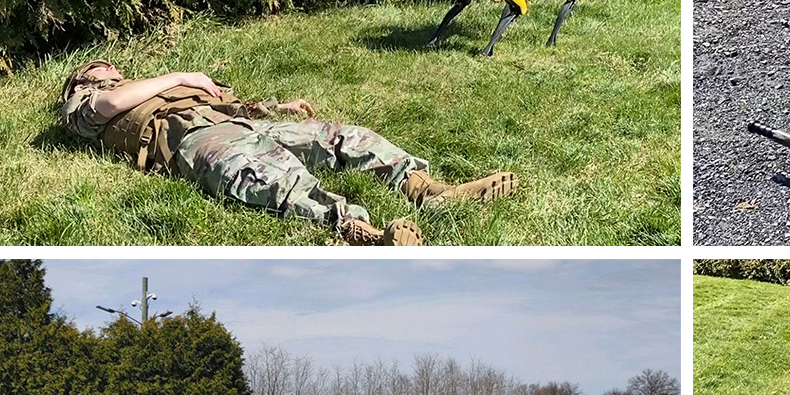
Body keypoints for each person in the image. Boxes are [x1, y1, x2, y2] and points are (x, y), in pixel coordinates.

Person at [59, 61, 519, 245]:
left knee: (342, 136)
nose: (114, 72)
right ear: (82, 81)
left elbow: (225, 100)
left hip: (237, 121)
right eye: (104, 69)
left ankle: (428, 189)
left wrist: (278, 109)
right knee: (269, 175)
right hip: (195, 142)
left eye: (117, 69)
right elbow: (112, 103)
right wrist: (184, 76)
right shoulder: (82, 106)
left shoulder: (165, 86)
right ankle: (361, 229)